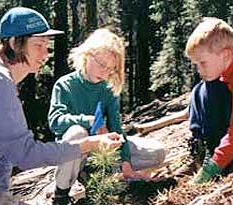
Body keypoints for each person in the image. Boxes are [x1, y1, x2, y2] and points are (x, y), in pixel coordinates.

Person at [0, 7, 123, 204]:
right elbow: (25, 154)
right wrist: (90, 144)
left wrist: (1, 194)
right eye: (39, 44)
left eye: (47, 45)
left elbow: (4, 148)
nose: (46, 53)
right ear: (14, 43)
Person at [48, 28, 165, 204]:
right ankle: (61, 194)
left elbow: (116, 128)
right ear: (87, 55)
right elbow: (55, 122)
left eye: (111, 69)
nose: (105, 73)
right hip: (75, 153)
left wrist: (126, 162)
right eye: (102, 65)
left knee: (157, 152)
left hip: (102, 151)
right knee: (76, 133)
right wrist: (87, 121)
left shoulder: (107, 89)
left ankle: (95, 175)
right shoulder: (65, 85)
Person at [175, 17, 233, 184]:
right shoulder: (232, 72)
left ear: (225, 55)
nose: (199, 70)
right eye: (196, 64)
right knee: (199, 89)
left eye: (202, 63)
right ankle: (202, 148)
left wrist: (211, 168)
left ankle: (215, 159)